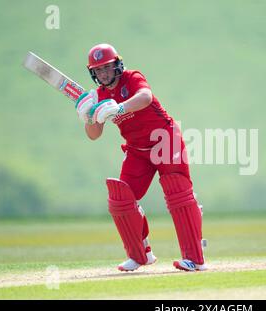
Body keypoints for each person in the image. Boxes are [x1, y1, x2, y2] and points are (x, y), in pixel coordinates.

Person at [75, 43, 206, 272]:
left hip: (165, 139)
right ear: (93, 73)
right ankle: (140, 255)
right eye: (98, 70)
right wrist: (88, 117)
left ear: (117, 64)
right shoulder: (99, 96)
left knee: (178, 193)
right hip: (137, 150)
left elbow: (145, 97)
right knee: (121, 199)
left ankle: (194, 259)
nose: (104, 73)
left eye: (107, 67)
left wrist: (119, 109)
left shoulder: (132, 77)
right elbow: (94, 135)